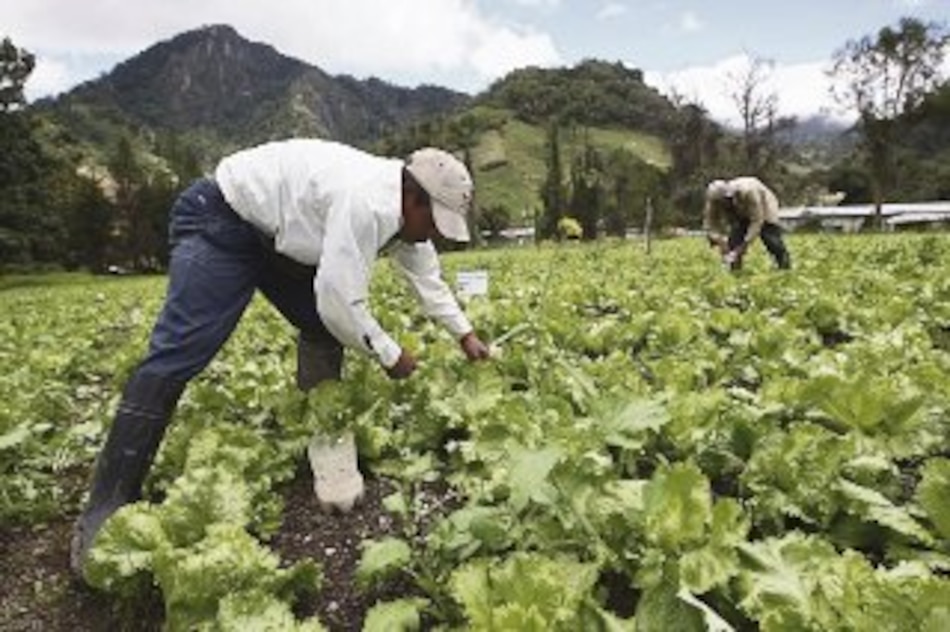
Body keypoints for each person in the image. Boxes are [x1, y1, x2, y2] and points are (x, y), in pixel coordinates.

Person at [70, 139, 491, 576]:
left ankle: (326, 441)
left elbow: (427, 280)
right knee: (179, 351)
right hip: (221, 215)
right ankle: (108, 502)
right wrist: (389, 353)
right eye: (436, 221)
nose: (437, 233)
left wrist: (465, 335)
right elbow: (340, 301)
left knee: (320, 328)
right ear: (414, 197)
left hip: (279, 242)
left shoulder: (406, 217)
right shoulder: (367, 201)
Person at [703, 176, 791, 270]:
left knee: (770, 237)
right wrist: (719, 241)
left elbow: (757, 221)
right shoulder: (713, 201)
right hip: (741, 210)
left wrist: (744, 244)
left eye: (725, 200)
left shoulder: (748, 192)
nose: (723, 204)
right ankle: (735, 269)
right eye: (720, 202)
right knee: (734, 240)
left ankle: (784, 265)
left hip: (764, 205)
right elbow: (710, 224)